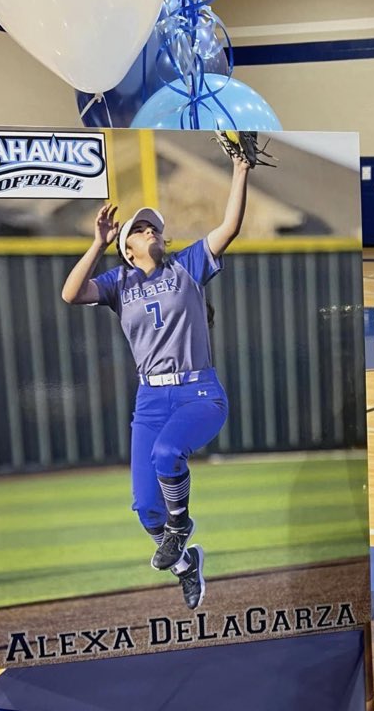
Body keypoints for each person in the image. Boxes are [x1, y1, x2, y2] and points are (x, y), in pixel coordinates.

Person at [61, 157, 251, 609]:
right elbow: (70, 293)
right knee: (146, 508)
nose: (153, 233)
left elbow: (230, 226)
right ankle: (187, 563)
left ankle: (181, 526)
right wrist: (97, 244)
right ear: (128, 247)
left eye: (156, 229)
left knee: (168, 454)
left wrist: (240, 171)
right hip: (150, 398)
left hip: (198, 392)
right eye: (143, 230)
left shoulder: (186, 265)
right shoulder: (118, 280)